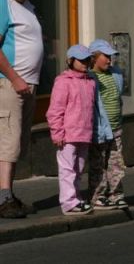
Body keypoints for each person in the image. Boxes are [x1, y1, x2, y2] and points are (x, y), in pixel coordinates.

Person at [0, 0, 44, 219]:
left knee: (17, 143)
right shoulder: (3, 4)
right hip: (9, 84)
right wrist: (15, 78)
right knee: (8, 140)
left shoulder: (28, 8)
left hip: (28, 85)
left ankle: (8, 194)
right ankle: (4, 198)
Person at [46, 45, 95, 216]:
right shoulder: (63, 82)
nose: (85, 63)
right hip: (68, 134)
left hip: (84, 133)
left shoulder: (90, 81)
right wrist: (57, 132)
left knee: (79, 167)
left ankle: (76, 197)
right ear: (70, 61)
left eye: (87, 60)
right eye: (81, 60)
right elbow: (55, 110)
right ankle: (68, 202)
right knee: (67, 169)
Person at [88, 39, 128, 210]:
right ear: (94, 57)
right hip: (99, 130)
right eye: (106, 56)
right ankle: (98, 195)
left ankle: (116, 194)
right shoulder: (90, 77)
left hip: (116, 127)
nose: (110, 60)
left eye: (111, 56)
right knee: (98, 163)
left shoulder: (116, 74)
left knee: (115, 163)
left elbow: (117, 98)